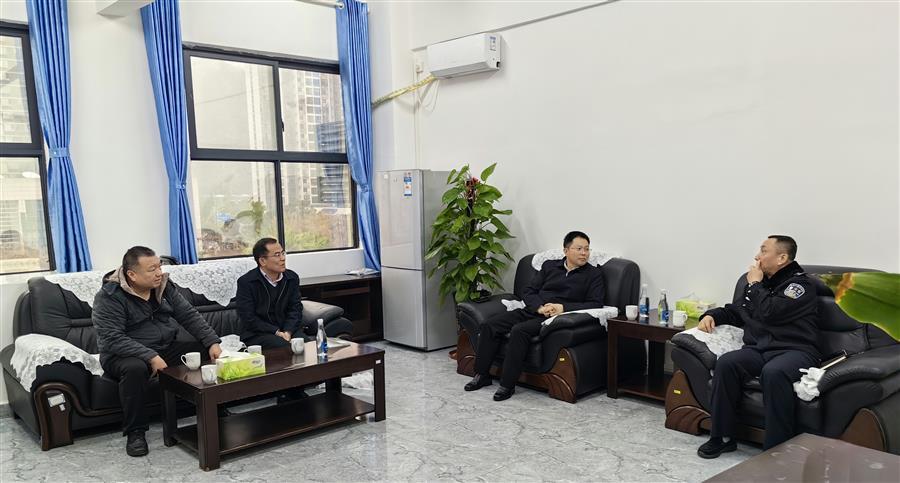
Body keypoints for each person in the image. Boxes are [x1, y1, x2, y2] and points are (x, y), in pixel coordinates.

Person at [696, 235, 820, 458]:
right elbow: (737, 310)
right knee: (726, 363)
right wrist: (711, 315)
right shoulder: (761, 284)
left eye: (763, 251)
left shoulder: (800, 286)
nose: (757, 256)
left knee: (773, 372)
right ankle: (722, 437)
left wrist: (754, 284)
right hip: (760, 349)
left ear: (782, 258)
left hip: (796, 351)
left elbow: (770, 311)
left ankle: (776, 449)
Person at [93, 246, 222, 457]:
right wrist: (150, 356)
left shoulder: (163, 286)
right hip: (123, 354)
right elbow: (112, 338)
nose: (159, 273)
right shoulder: (109, 296)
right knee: (134, 369)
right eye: (152, 269)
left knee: (202, 351)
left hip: (165, 347)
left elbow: (188, 315)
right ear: (132, 275)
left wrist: (212, 342)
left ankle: (215, 409)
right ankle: (135, 432)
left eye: (159, 266)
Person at [464, 231, 605, 401]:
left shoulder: (593, 274)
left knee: (519, 331)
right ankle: (482, 375)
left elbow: (596, 303)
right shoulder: (549, 266)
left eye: (587, 249)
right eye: (579, 249)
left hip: (553, 319)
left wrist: (562, 308)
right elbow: (529, 291)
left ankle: (507, 385)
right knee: (489, 325)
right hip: (534, 310)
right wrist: (538, 307)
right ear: (566, 250)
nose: (584, 253)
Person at [235, 238, 305, 349]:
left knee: (306, 344)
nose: (283, 258)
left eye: (283, 253)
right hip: (258, 333)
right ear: (262, 261)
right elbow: (248, 318)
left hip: (287, 330)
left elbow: (295, 309)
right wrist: (276, 332)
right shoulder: (247, 282)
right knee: (284, 347)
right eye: (277, 255)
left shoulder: (291, 278)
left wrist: (288, 331)